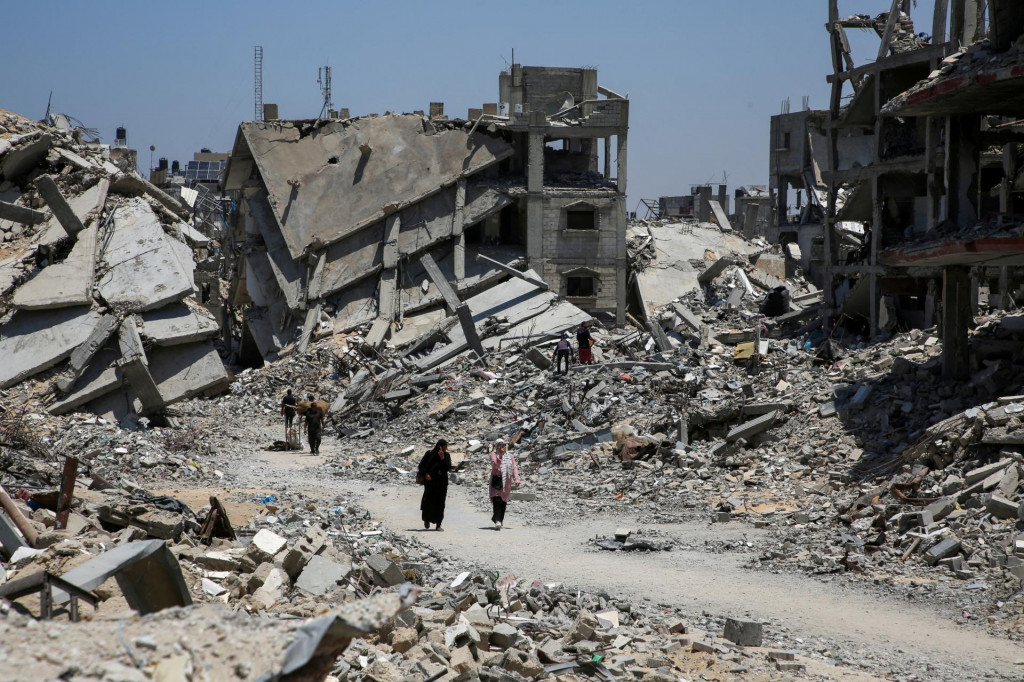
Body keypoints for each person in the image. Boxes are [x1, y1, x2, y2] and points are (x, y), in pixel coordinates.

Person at [418, 439, 451, 531]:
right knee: (428, 501)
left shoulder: (446, 456)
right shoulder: (429, 454)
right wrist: (425, 474)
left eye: (445, 448)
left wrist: (442, 458)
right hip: (430, 483)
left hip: (442, 484)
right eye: (443, 448)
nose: (444, 449)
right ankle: (426, 519)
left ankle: (438, 525)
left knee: (440, 504)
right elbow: (421, 466)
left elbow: (448, 467)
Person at [488, 438, 520, 530]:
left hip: (506, 482)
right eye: (500, 445)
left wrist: (516, 479)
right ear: (497, 446)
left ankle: (499, 519)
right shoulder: (493, 455)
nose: (502, 447)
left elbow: (514, 468)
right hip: (497, 481)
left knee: (503, 501)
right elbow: (495, 466)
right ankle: (497, 521)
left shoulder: (510, 456)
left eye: (503, 445)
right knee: (496, 500)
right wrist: (500, 456)